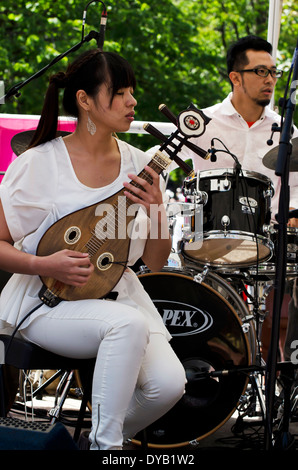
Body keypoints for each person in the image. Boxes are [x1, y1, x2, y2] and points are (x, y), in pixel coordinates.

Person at [0, 49, 186, 450]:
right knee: (127, 325)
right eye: (120, 92)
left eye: (132, 92)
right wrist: (43, 262)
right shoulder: (40, 163)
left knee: (168, 386)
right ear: (84, 99)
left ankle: (95, 443)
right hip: (44, 300)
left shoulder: (140, 164)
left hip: (118, 294)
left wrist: (156, 211)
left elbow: (154, 262)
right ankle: (107, 451)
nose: (132, 102)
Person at [152, 35, 298, 361]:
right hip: (209, 239)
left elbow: (296, 190)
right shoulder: (201, 123)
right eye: (261, 71)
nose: (271, 80)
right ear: (235, 77)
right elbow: (158, 167)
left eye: (273, 72)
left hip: (269, 240)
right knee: (205, 307)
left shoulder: (286, 131)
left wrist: (293, 212)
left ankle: (287, 373)